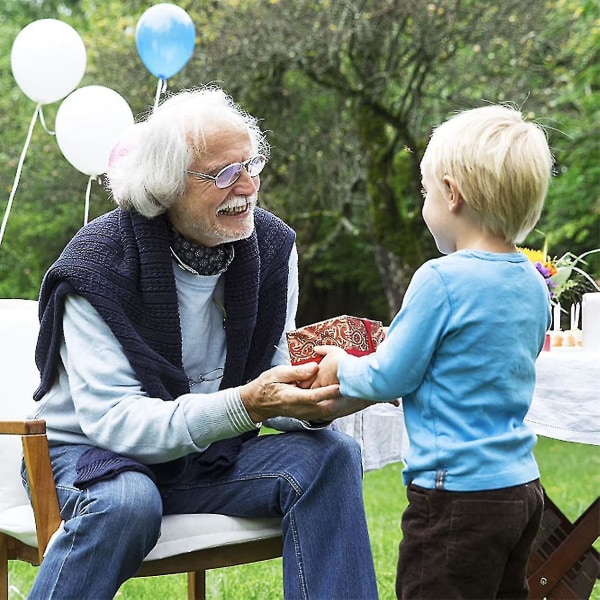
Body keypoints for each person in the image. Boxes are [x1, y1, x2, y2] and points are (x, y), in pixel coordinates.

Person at [25, 86, 379, 599]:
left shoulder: (273, 248)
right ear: (167, 185)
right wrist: (245, 404)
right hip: (91, 452)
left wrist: (319, 398)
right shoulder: (98, 266)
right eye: (224, 174)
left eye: (252, 164)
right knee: (128, 502)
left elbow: (274, 382)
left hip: (206, 453)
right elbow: (114, 421)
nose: (249, 186)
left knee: (331, 454)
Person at [311, 104, 553, 599]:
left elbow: (392, 375)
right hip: (521, 489)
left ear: (452, 194)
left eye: (425, 192)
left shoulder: (440, 279)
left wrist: (341, 365)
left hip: (455, 495)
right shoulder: (531, 281)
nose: (423, 205)